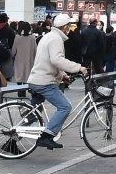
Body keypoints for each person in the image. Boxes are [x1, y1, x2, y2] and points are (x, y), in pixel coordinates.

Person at [27, 13, 88, 149]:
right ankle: (47, 136)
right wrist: (79, 67)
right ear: (64, 27)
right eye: (70, 26)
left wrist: (63, 74)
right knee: (65, 107)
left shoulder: (49, 36)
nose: (71, 28)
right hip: (45, 82)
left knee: (33, 113)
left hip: (37, 78)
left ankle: (13, 137)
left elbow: (50, 61)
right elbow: (57, 60)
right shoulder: (56, 39)